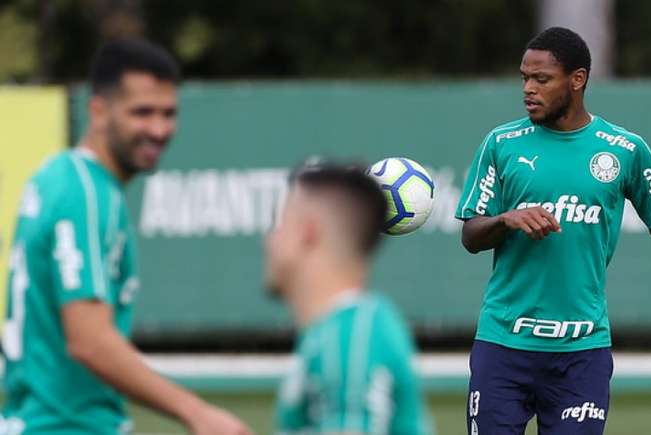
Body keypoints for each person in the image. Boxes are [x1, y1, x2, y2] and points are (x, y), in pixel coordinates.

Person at [455, 27, 651, 435]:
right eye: (525, 78)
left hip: (582, 352)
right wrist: (505, 219)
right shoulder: (502, 143)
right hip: (503, 345)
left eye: (541, 79)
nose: (528, 88)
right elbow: (471, 235)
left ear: (577, 80)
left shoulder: (624, 149)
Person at [1, 39, 252, 435]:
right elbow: (89, 340)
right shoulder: (84, 192)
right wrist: (198, 413)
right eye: (142, 113)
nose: (159, 129)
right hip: (66, 425)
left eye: (169, 114)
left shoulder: (59, 176)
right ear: (98, 110)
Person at [266, 164, 432, 435]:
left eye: (280, 225)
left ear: (307, 232)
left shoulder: (349, 339)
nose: (268, 241)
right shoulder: (342, 329)